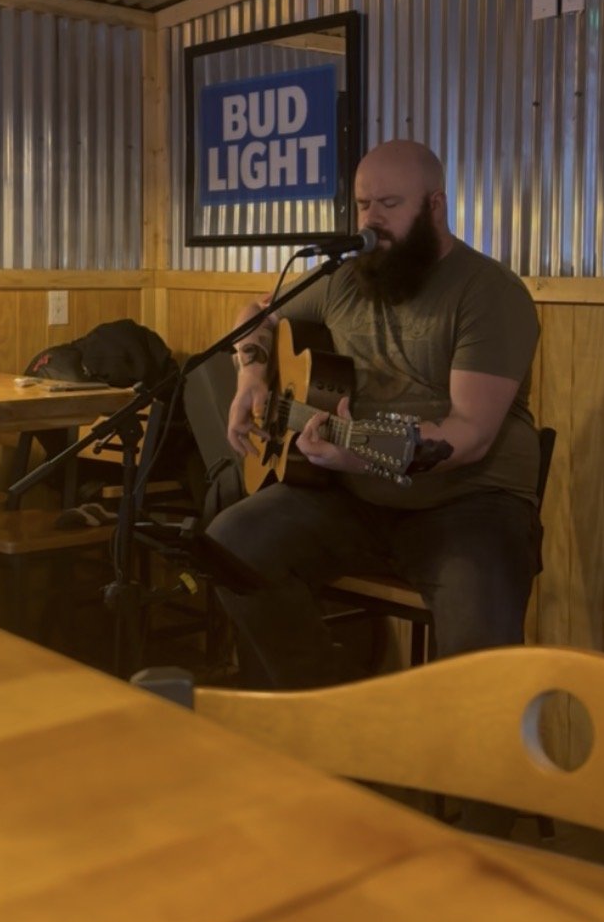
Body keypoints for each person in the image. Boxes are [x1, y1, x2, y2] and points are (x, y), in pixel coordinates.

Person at [206, 139, 543, 696]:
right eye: (363, 205)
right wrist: (251, 375)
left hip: (466, 503)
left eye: (389, 203)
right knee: (231, 545)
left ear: (434, 206)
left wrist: (357, 451)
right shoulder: (344, 282)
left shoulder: (489, 292)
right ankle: (327, 716)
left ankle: (478, 778)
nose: (371, 220)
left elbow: (470, 435)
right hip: (352, 496)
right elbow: (254, 312)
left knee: (479, 662)